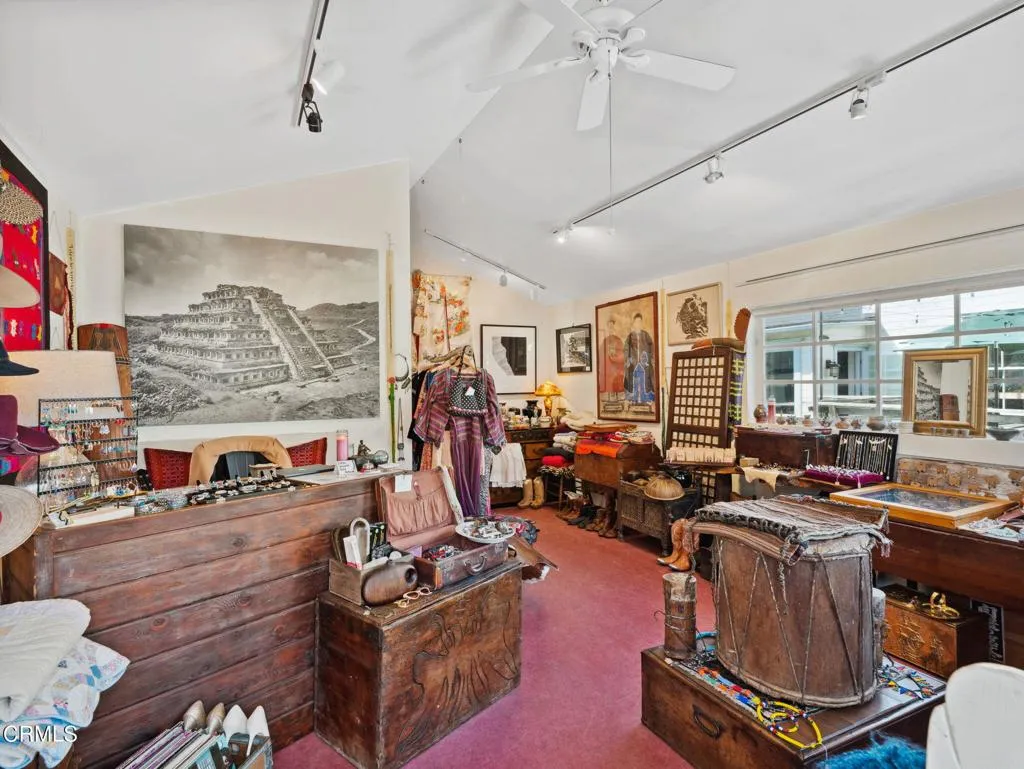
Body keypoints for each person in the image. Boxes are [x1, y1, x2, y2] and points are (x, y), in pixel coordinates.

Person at [624, 312, 655, 405]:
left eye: (640, 322)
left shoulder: (646, 335)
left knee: (646, 378)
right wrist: (628, 359)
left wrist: (650, 358)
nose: (638, 324)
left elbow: (652, 348)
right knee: (632, 378)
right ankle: (632, 399)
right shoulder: (630, 336)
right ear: (634, 323)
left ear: (641, 323)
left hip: (644, 362)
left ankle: (646, 399)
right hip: (633, 363)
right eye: (636, 322)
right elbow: (626, 349)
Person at [599, 318, 625, 405]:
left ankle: (617, 401)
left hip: (616, 367)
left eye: (612, 326)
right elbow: (601, 353)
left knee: (616, 382)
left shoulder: (618, 340)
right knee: (608, 383)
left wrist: (615, 356)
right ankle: (609, 401)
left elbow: (622, 353)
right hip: (608, 367)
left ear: (614, 327)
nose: (611, 328)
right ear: (607, 328)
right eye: (609, 327)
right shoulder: (605, 341)